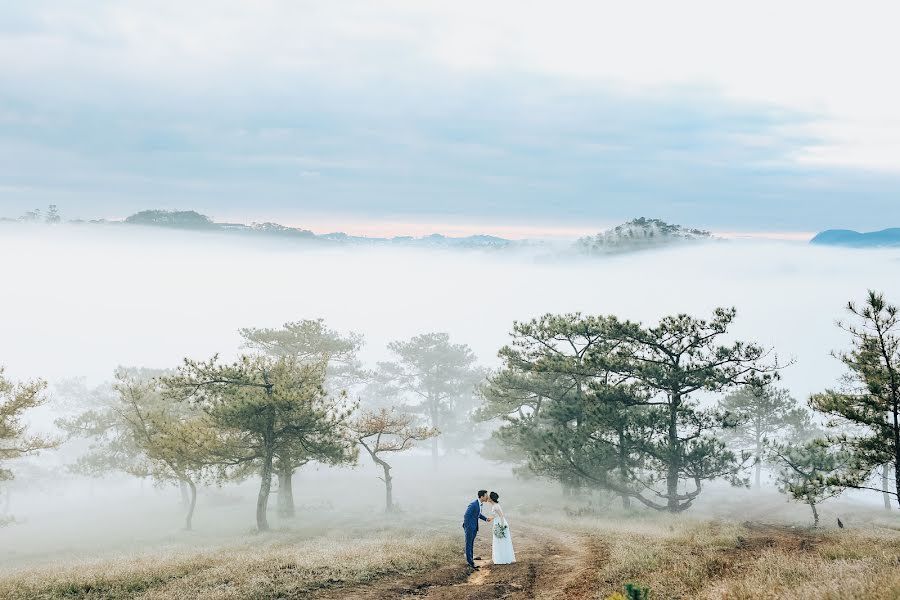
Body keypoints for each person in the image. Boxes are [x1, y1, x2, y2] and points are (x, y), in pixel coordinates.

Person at [462, 490, 492, 569]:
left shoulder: (479, 504)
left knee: (471, 543)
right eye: (486, 496)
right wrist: (468, 527)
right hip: (470, 528)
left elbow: (477, 514)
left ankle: (471, 560)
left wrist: (485, 519)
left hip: (474, 527)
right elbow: (466, 515)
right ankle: (470, 562)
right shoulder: (473, 504)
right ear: (482, 497)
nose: (487, 497)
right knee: (468, 544)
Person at [487, 491, 516, 565]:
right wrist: (491, 518)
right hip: (497, 522)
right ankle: (499, 558)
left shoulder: (496, 506)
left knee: (501, 540)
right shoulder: (494, 506)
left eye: (489, 497)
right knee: (498, 541)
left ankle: (502, 559)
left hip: (500, 523)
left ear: (491, 498)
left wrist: (502, 527)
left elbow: (501, 516)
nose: (488, 498)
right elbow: (496, 515)